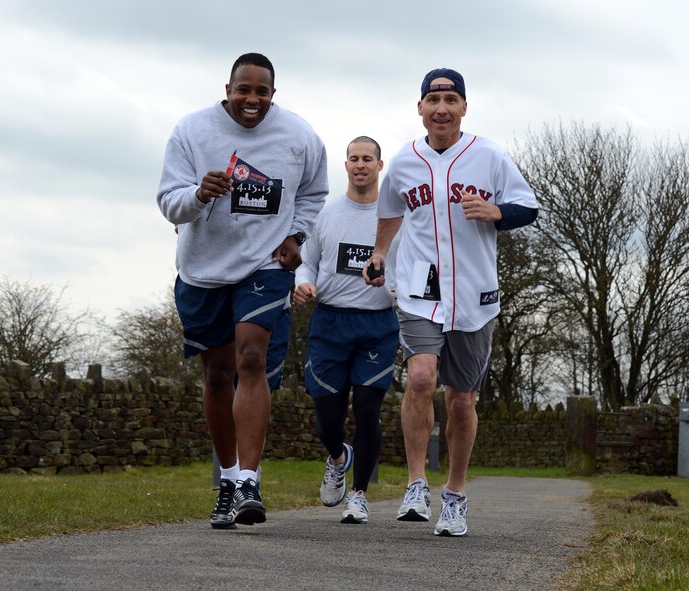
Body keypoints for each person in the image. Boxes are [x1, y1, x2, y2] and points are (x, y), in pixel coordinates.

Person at [364, 68, 538, 536]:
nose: (441, 107)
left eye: (451, 98)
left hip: (475, 295)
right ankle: (416, 483)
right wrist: (380, 253)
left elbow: (529, 206)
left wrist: (498, 211)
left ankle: (455, 494)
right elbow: (389, 214)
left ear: (464, 107)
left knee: (461, 401)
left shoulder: (489, 156)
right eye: (433, 98)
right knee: (421, 375)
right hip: (422, 288)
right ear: (419, 107)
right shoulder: (403, 162)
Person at [157, 53, 328, 529]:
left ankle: (250, 482)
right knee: (217, 375)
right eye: (243, 90)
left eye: (262, 92)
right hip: (204, 269)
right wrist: (197, 194)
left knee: (251, 359)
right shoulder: (191, 131)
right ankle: (228, 480)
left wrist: (296, 236)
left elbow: (315, 194)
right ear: (227, 88)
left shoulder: (299, 136)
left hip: (265, 264)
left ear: (274, 93)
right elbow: (168, 202)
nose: (252, 100)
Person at [294, 136, 399, 525]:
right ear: (346, 165)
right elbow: (307, 262)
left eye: (367, 159)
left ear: (379, 165)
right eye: (354, 158)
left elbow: (410, 265)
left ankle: (359, 496)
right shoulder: (327, 213)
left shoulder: (394, 216)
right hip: (330, 321)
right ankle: (338, 457)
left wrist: (397, 287)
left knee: (368, 411)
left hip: (377, 325)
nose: (360, 165)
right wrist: (301, 283)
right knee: (328, 420)